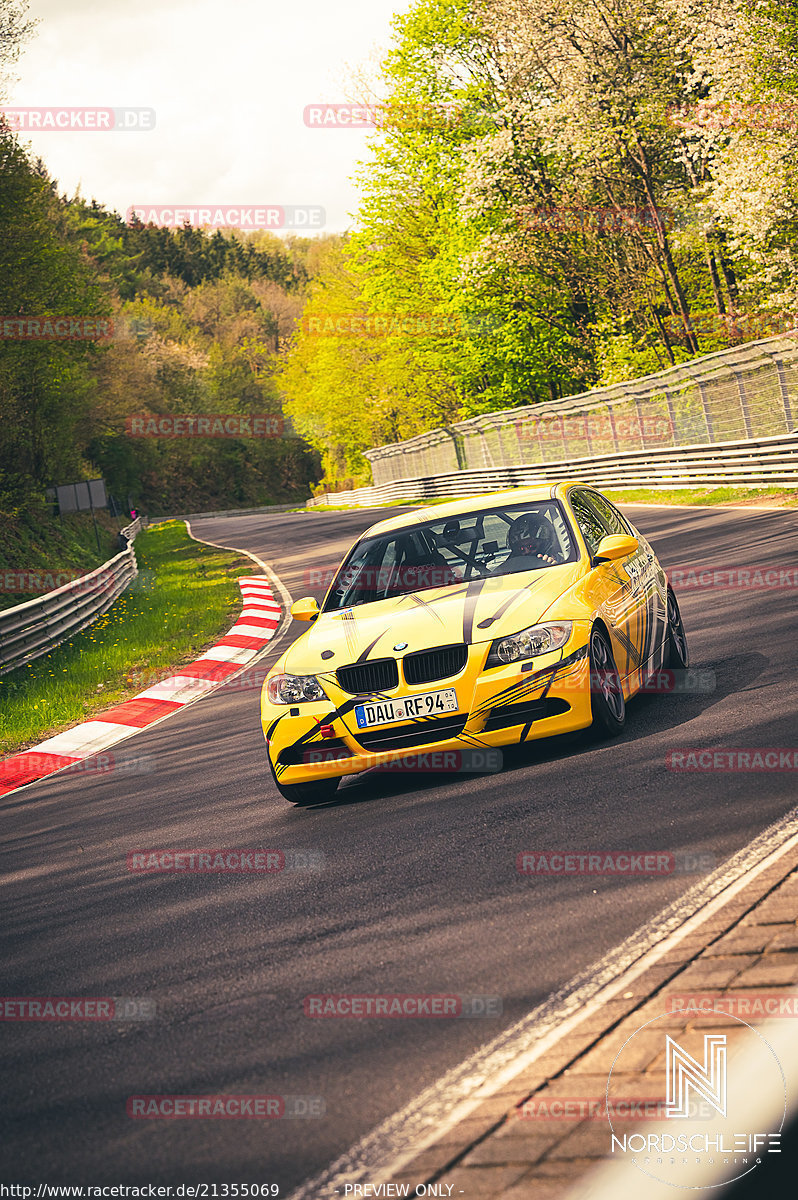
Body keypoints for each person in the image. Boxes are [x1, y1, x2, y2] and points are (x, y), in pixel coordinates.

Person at [492, 513, 560, 575]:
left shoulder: (563, 560)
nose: (526, 552)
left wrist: (555, 568)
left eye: (531, 546)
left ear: (544, 544)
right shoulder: (511, 566)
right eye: (521, 548)